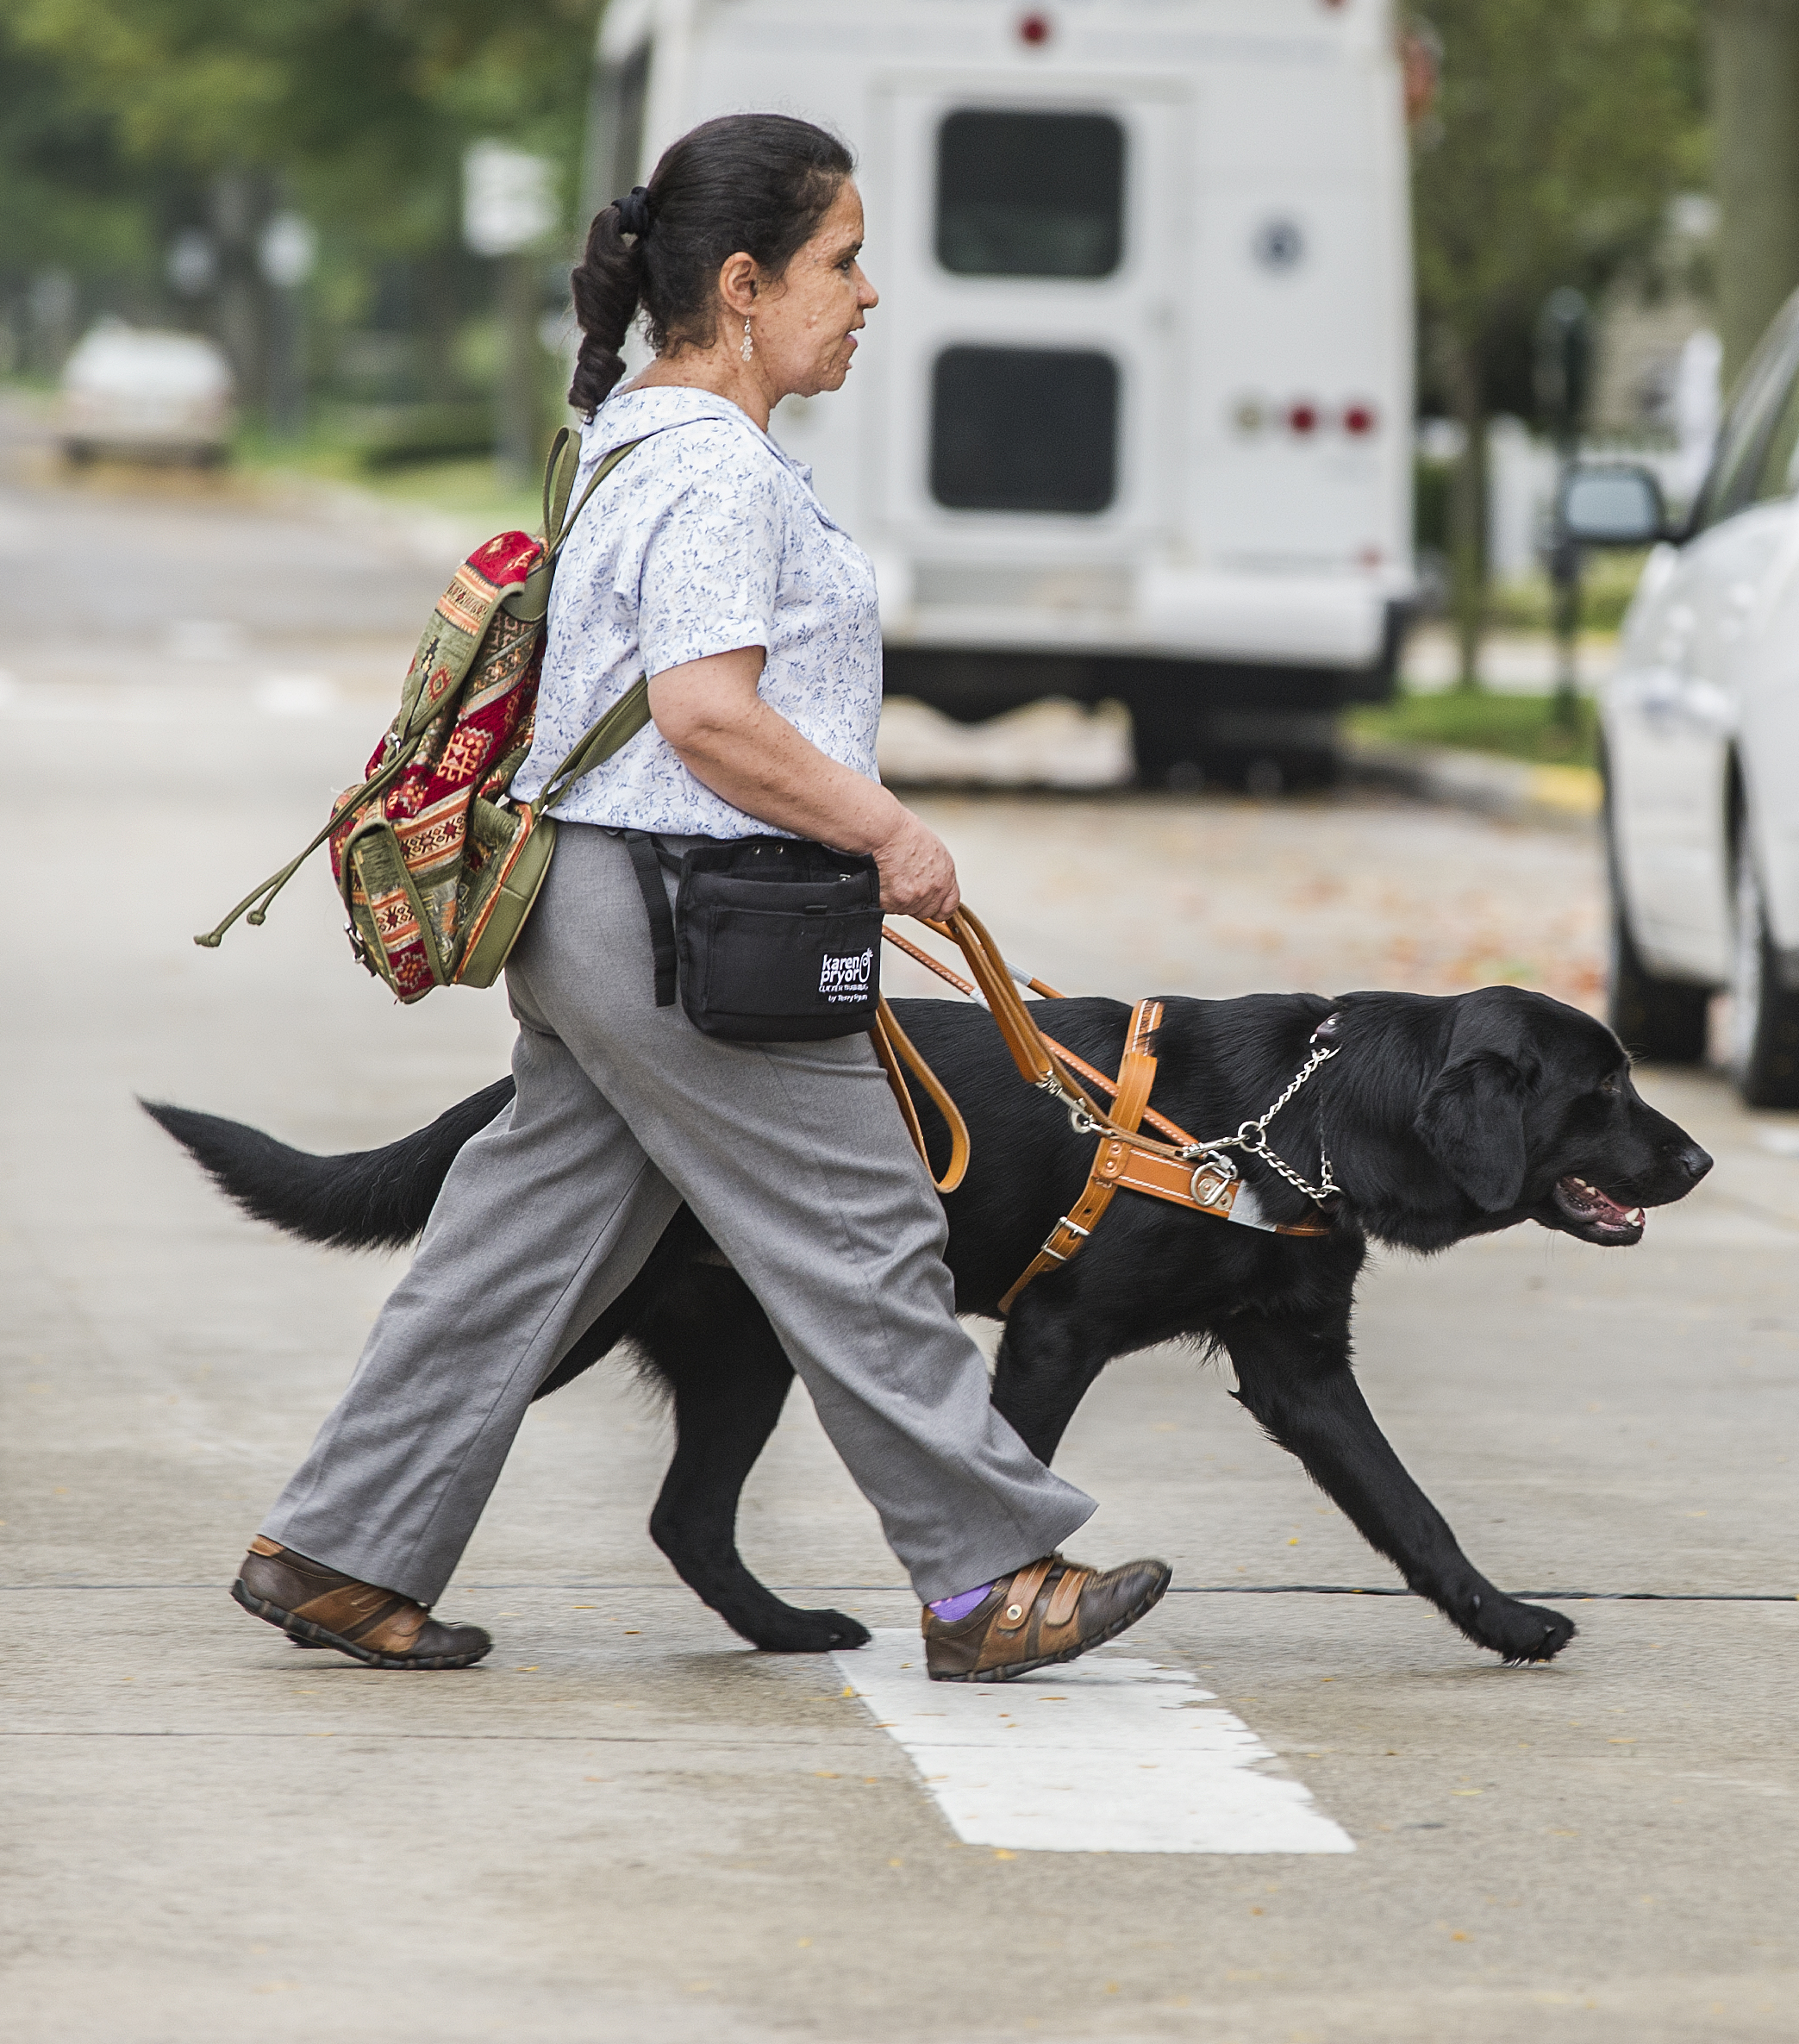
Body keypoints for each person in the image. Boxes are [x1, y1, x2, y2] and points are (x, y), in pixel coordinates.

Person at [232, 112, 1168, 1684]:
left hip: (600, 911)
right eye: (843, 262)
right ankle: (993, 1577)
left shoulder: (630, 440)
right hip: (695, 921)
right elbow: (707, 712)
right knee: (863, 1227)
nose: (868, 296)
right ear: (744, 286)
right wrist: (887, 832)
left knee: (520, 1242)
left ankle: (339, 1550)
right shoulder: (720, 471)